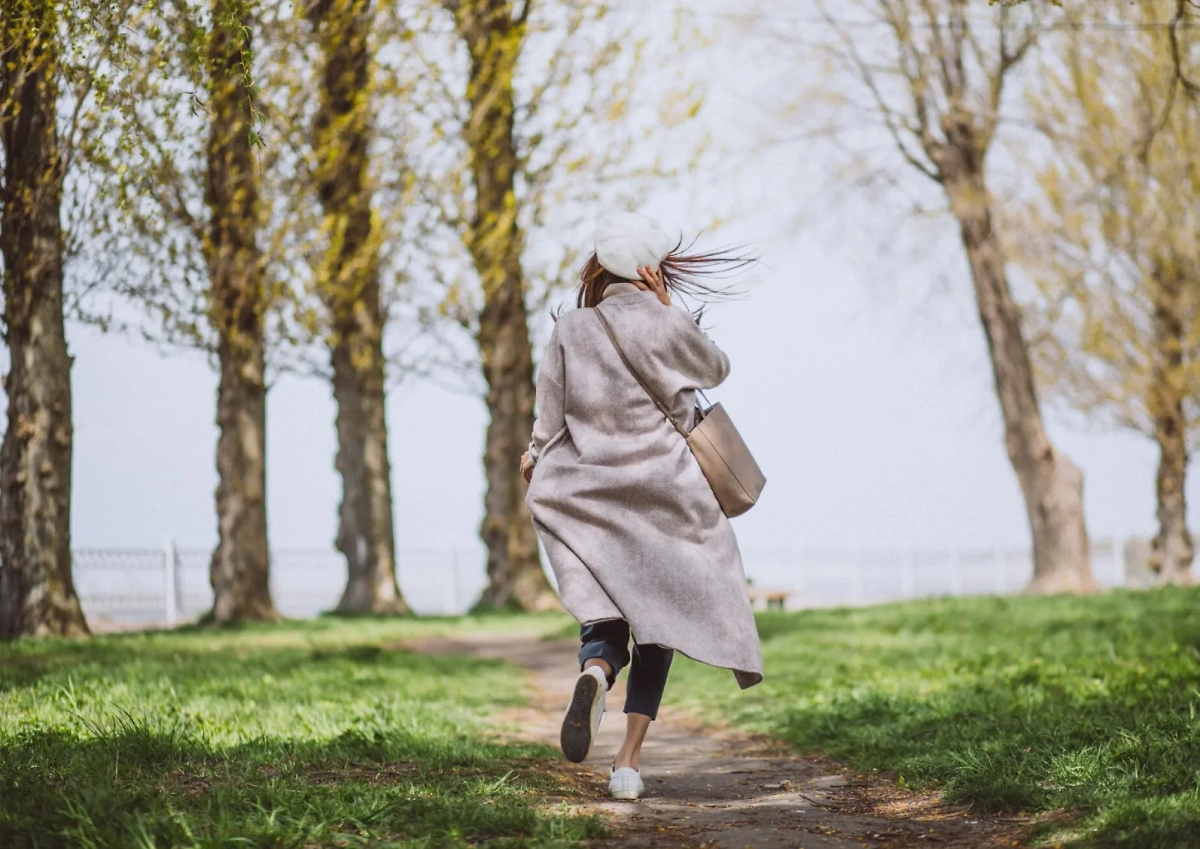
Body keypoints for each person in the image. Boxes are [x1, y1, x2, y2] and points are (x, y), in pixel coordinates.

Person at [519, 212, 764, 801]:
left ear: (599, 267)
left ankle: (596, 671)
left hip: (589, 489)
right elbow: (717, 368)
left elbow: (549, 418)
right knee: (660, 623)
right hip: (667, 492)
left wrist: (533, 457)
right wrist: (669, 312)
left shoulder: (571, 330)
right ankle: (627, 762)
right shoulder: (662, 321)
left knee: (606, 614)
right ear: (654, 270)